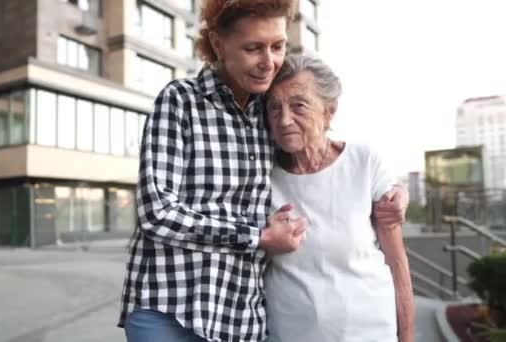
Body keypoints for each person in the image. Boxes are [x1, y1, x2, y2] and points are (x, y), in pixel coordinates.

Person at [118, 0, 409, 341]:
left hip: (239, 317)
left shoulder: (269, 108)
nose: (268, 62)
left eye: (277, 46)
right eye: (253, 48)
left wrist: (390, 189)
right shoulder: (180, 101)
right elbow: (157, 214)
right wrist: (256, 237)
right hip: (171, 308)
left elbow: (320, 142)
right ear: (218, 44)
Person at [263, 53, 415, 342]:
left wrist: (406, 338)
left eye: (298, 105)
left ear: (329, 112)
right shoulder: (262, 176)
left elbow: (397, 263)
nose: (284, 120)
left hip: (372, 333)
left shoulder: (364, 161)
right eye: (274, 108)